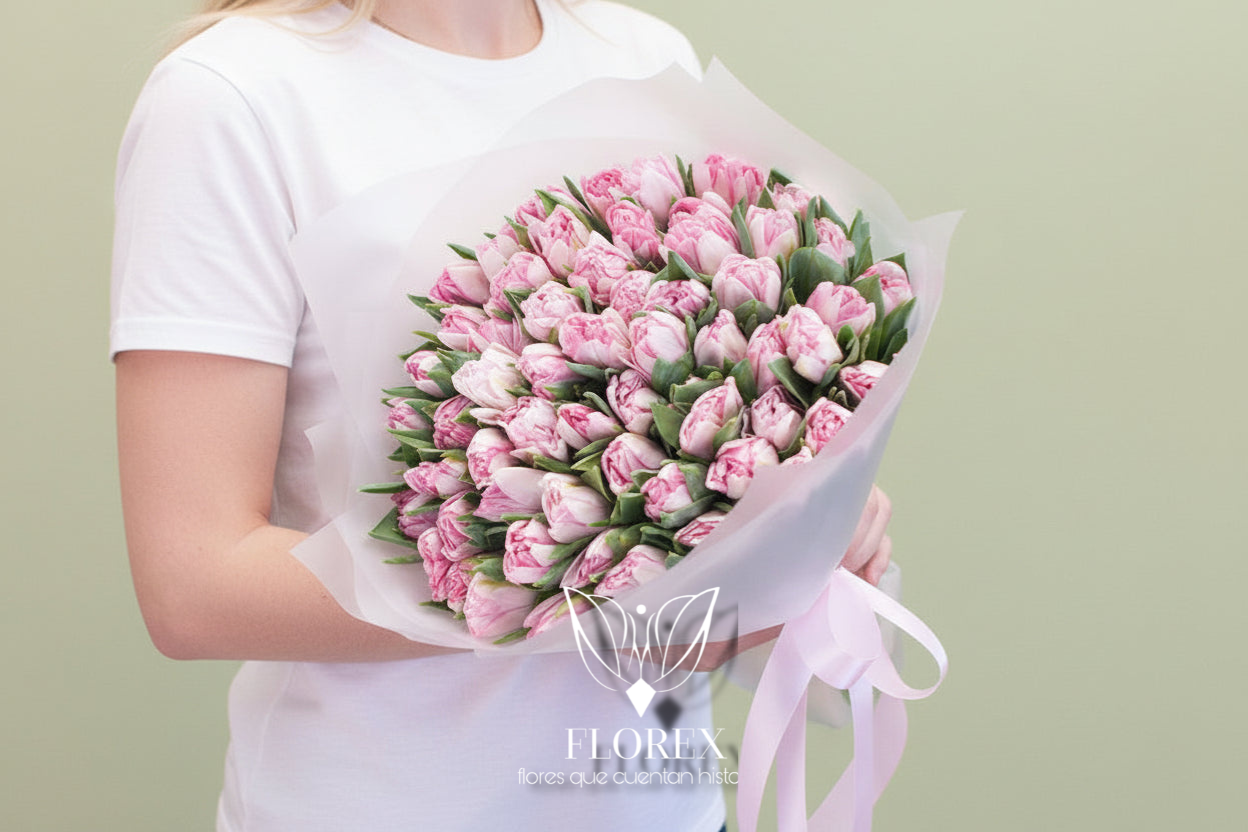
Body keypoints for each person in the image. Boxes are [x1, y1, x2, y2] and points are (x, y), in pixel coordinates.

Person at [110, 1, 896, 829]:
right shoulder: (232, 94)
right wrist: (595, 593)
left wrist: (796, 518)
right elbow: (196, 584)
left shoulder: (640, 51)